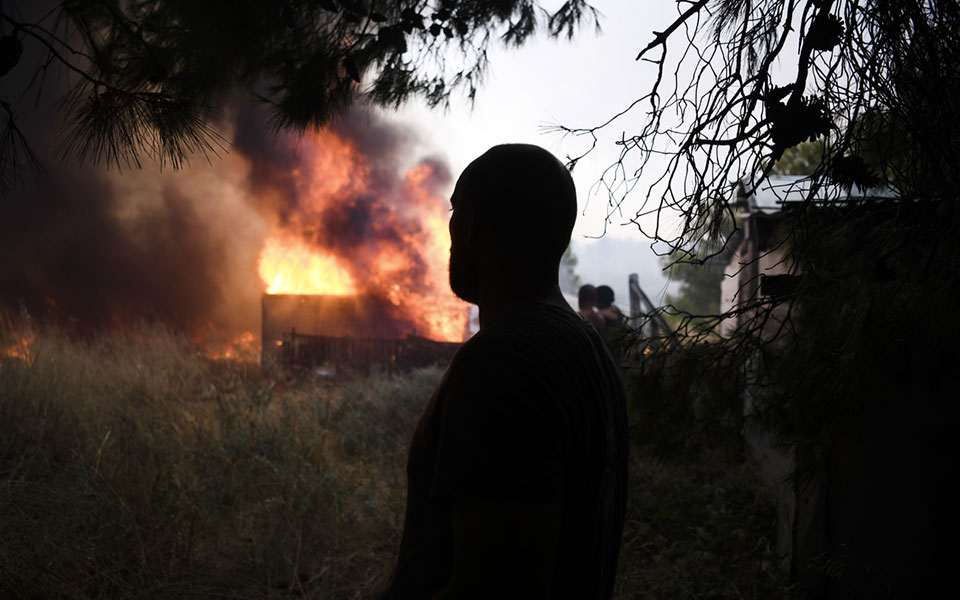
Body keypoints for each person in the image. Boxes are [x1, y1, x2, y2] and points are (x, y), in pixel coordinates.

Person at [380, 144, 628, 599]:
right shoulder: (585, 346)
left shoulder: (500, 364)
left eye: (453, 214)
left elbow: (489, 588)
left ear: (469, 222)